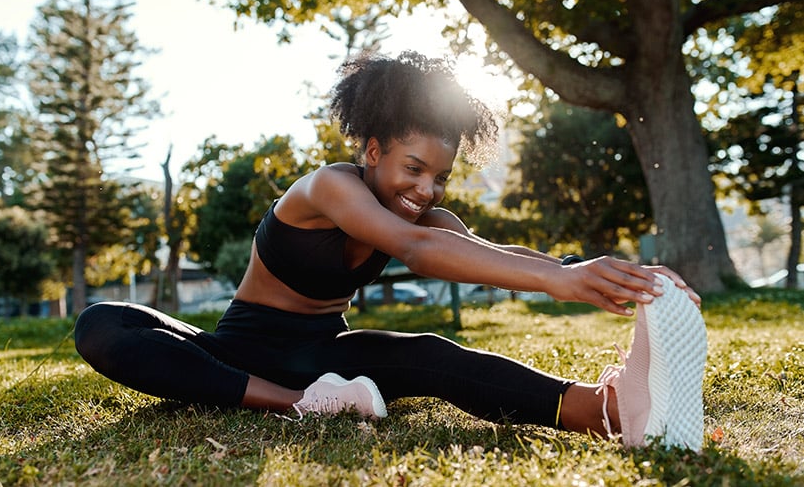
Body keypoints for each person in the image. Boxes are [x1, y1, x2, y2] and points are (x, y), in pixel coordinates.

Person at [75, 51, 707, 449]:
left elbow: (483, 250)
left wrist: (588, 271)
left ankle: (610, 410)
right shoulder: (328, 187)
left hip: (331, 360)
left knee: (432, 354)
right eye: (413, 168)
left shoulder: (429, 216)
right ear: (373, 151)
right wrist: (560, 283)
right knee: (103, 324)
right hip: (241, 353)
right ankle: (300, 407)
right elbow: (415, 247)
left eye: (439, 176)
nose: (425, 189)